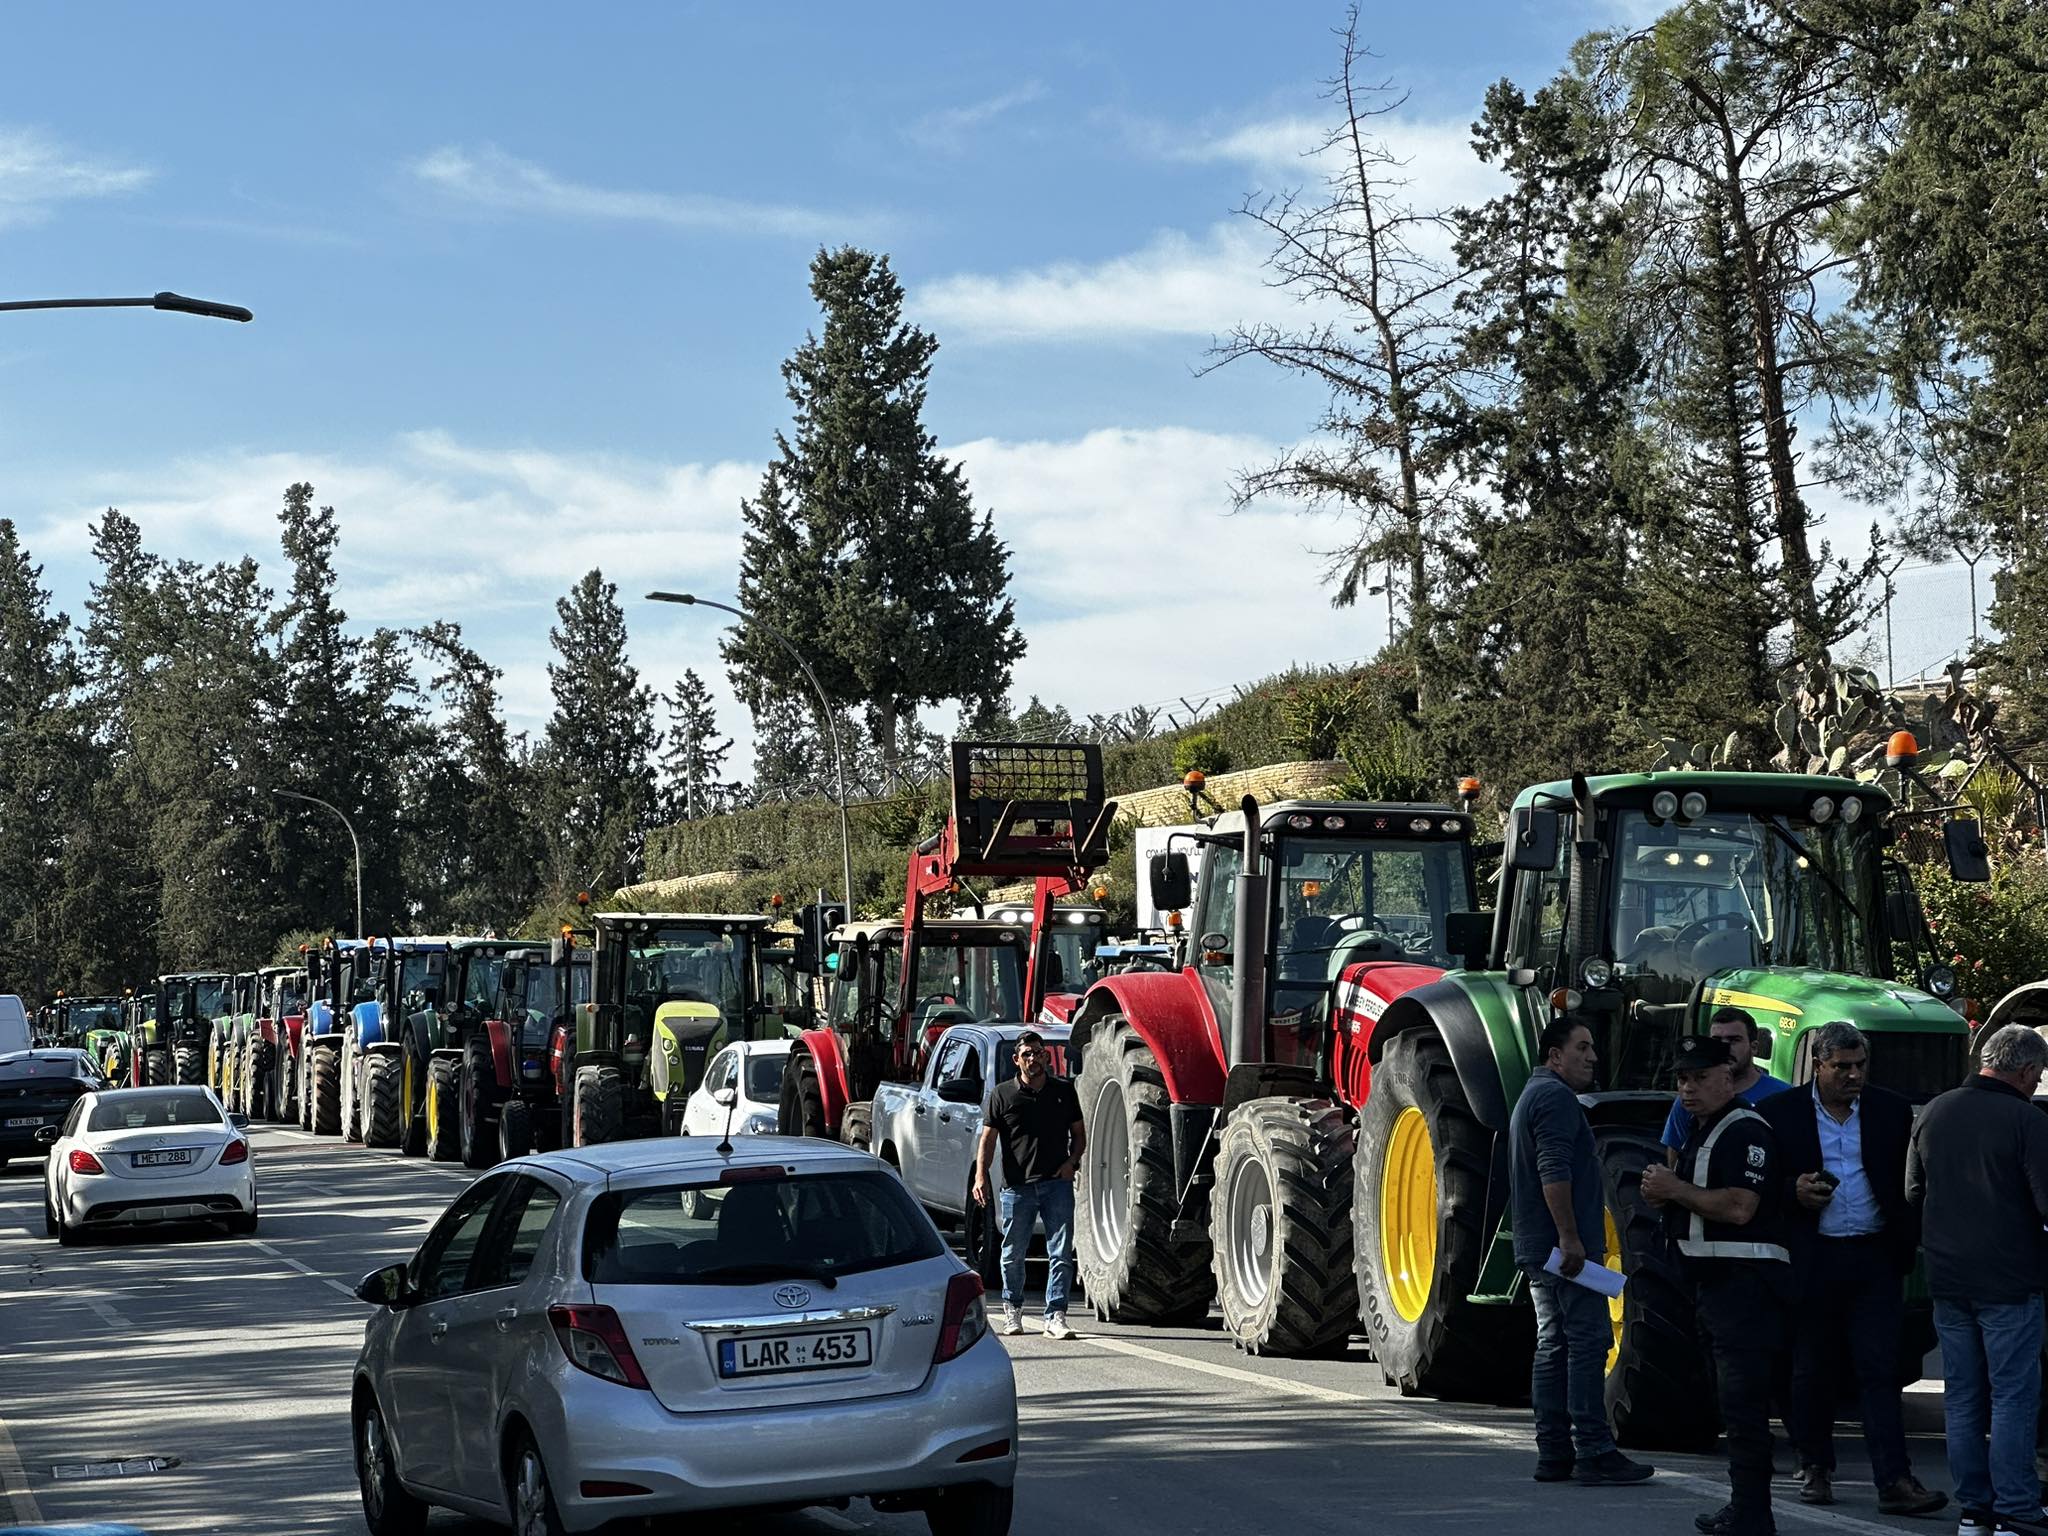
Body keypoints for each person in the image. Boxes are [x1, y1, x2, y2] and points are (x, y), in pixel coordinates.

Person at [1760, 1021, 1945, 1516]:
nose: (1852, 1076)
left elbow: (1911, 1178)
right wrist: (1791, 1192)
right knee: (1812, 1369)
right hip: (1813, 1256)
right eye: (1841, 1067)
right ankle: (1815, 1467)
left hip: (1873, 1257)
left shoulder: (1887, 1110)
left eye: (1859, 1065)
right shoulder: (1779, 1113)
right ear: (1818, 1065)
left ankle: (1894, 1480)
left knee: (1879, 1371)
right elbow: (1757, 1184)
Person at [1642, 1034, 1791, 1536]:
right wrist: (1669, 1198)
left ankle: (1753, 1513)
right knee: (1732, 1404)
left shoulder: (1745, 1129)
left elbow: (1740, 1207)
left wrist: (1675, 1189)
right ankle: (1745, 1507)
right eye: (1682, 1078)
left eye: (1700, 1077)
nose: (1688, 1088)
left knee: (1745, 1406)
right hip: (1712, 1284)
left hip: (1743, 1286)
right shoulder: (1702, 1130)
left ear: (1728, 1075)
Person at [1908, 1023, 2048, 1536]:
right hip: (2009, 1279)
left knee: (1963, 1395)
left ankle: (1975, 1508)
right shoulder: (2026, 1121)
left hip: (1947, 1275)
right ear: (2027, 1070)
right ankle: (2016, 1506)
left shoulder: (1935, 1111)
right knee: (2013, 1394)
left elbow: (1912, 1193)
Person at [1508, 1015, 1654, 1486]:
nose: (1594, 1056)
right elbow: (1555, 1172)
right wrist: (1570, 1238)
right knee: (1588, 1343)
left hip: (1539, 1245)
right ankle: (1593, 1449)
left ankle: (1553, 1453)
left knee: (1553, 1343)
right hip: (1562, 1249)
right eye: (1583, 1047)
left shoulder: (1533, 1095)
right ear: (1555, 1056)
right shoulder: (1554, 1098)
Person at [973, 1030, 1085, 1341]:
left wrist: (1071, 1162)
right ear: (1016, 1060)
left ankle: (1056, 1315)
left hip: (1056, 1185)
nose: (1033, 1059)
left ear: (1047, 1057)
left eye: (1037, 1053)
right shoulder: (1002, 1095)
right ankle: (1012, 1309)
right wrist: (980, 1176)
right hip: (1017, 1188)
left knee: (1061, 1252)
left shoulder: (1063, 1091)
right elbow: (988, 1140)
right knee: (1012, 1253)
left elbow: (1079, 1133)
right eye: (1026, 1054)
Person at [1661, 1007, 1789, 1164]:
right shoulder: (1692, 1096)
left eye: (1734, 1040)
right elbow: (1676, 1157)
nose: (1724, 1048)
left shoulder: (1784, 1096)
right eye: (1716, 1041)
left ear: (1754, 1047)